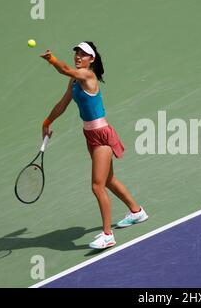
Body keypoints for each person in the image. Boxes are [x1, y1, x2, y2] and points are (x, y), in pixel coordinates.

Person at [40, 41, 148, 249]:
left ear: (92, 59)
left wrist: (52, 59)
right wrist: (46, 122)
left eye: (83, 54)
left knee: (97, 186)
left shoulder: (88, 76)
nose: (78, 56)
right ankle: (137, 211)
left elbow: (63, 69)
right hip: (90, 135)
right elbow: (62, 105)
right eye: (77, 53)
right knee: (108, 180)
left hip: (102, 135)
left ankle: (107, 235)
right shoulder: (74, 81)